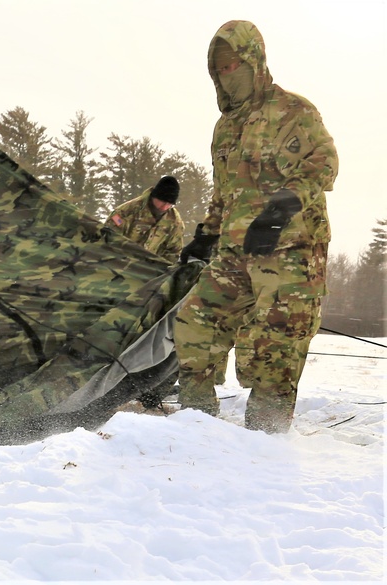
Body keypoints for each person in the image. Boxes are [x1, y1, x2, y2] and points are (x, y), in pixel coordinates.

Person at [174, 21, 338, 433]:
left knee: (272, 346)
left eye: (235, 66)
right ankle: (194, 426)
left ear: (255, 61)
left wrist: (278, 212)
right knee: (195, 320)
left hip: (291, 250)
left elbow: (323, 165)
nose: (229, 76)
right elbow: (223, 190)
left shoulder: (292, 112)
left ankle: (266, 441)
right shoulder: (225, 127)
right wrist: (206, 235)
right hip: (235, 249)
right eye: (221, 70)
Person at [103, 176, 185, 263]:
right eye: (162, 201)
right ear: (154, 196)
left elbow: (173, 251)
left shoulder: (175, 222)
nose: (165, 206)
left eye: (169, 204)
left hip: (150, 271)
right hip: (119, 264)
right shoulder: (126, 212)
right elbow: (109, 238)